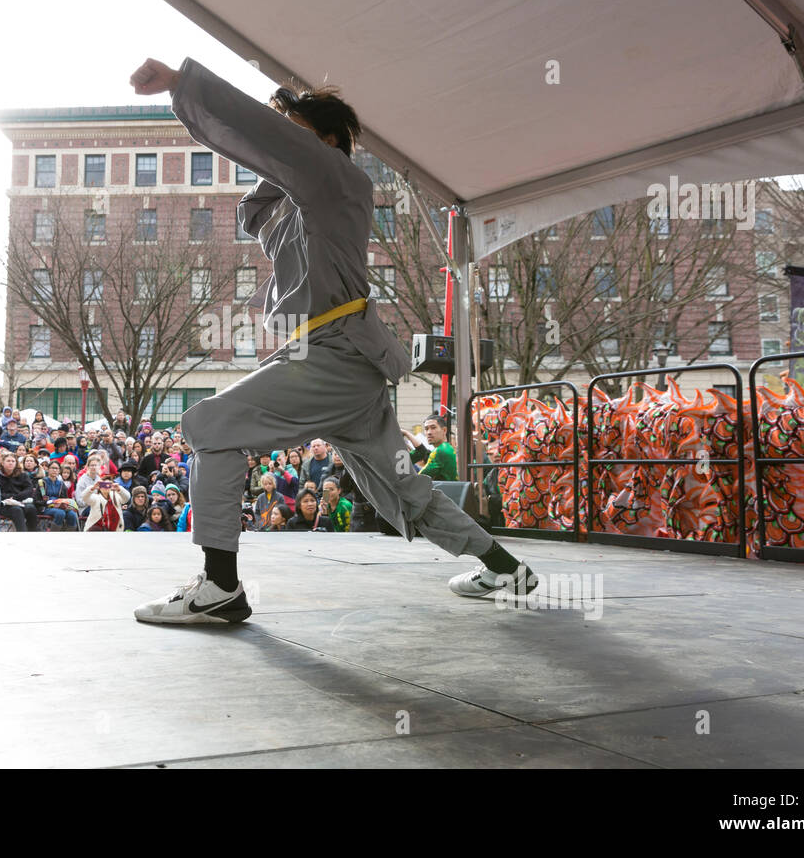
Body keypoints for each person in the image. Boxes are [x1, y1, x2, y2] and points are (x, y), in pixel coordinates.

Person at [128, 56, 536, 624]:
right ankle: (505, 568)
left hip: (334, 356)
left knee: (209, 426)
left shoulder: (336, 178)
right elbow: (261, 200)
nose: (281, 145)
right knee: (403, 485)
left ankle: (220, 585)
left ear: (325, 142)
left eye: (295, 136)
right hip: (348, 366)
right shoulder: (311, 193)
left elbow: (262, 138)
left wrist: (181, 85)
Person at [402, 414, 458, 481]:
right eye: (426, 429)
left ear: (444, 430)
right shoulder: (447, 448)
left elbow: (419, 479)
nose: (429, 432)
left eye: (433, 428)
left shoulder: (440, 450)